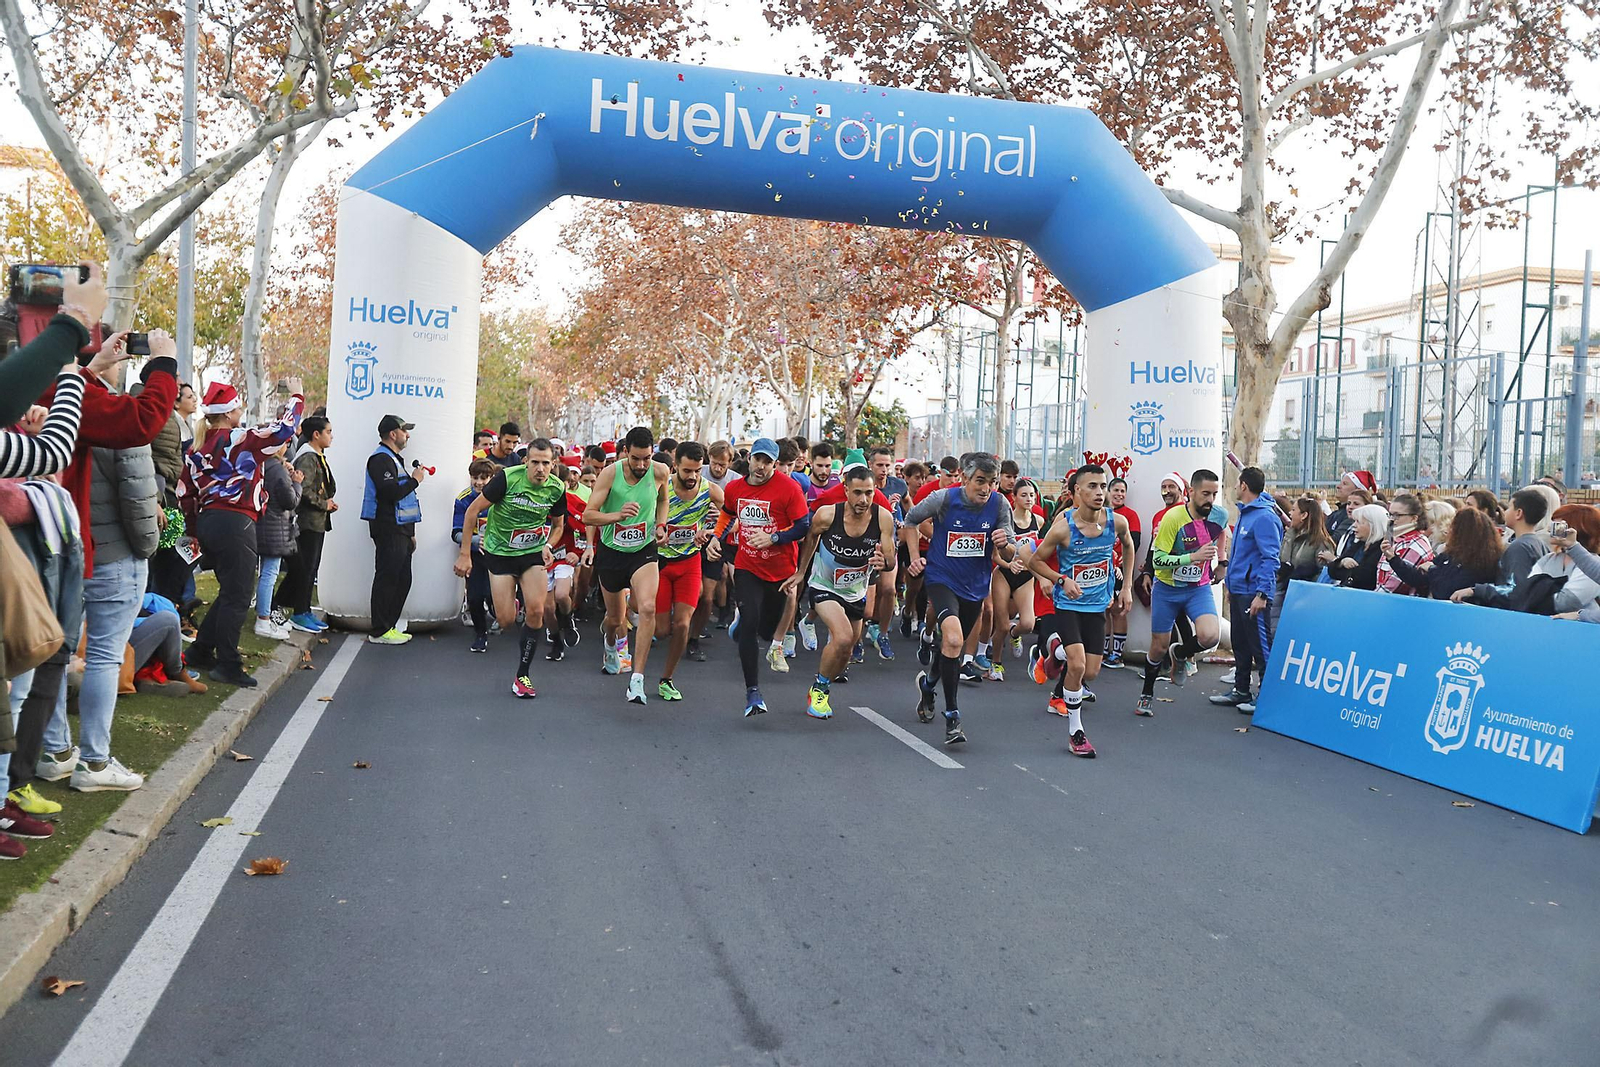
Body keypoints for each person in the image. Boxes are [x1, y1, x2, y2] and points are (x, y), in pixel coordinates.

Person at [902, 452, 1016, 745]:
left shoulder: (999, 504)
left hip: (975, 587)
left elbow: (1011, 552)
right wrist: (915, 558)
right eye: (980, 481)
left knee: (951, 646)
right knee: (953, 640)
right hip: (941, 579)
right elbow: (911, 520)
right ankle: (952, 716)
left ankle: (928, 686)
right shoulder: (944, 499)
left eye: (991, 482)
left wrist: (1004, 546)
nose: (986, 488)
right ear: (964, 478)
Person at [1026, 464, 1133, 757]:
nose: (1100, 492)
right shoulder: (1063, 528)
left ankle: (1054, 653)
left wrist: (1125, 589)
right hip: (1068, 604)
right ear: (1076, 492)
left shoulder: (1116, 522)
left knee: (1093, 671)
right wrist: (1061, 579)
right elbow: (1035, 561)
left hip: (1097, 605)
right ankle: (1076, 731)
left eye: (1103, 486)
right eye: (1093, 486)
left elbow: (1129, 545)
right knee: (1078, 666)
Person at [452, 438, 568, 697]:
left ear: (553, 464)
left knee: (536, 611)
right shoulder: (506, 478)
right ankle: (511, 602)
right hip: (500, 553)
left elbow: (559, 526)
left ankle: (522, 675)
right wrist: (465, 555)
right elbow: (472, 512)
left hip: (532, 553)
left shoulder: (557, 488)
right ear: (526, 462)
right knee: (505, 621)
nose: (540, 468)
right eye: (535, 462)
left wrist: (548, 545)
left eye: (545, 463)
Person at [706, 437, 811, 718]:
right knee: (751, 622)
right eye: (757, 459)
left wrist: (774, 537)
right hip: (747, 565)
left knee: (766, 631)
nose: (761, 466)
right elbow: (727, 514)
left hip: (779, 569)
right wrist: (717, 538)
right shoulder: (735, 488)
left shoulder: (788, 488)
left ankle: (742, 629)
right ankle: (753, 692)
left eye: (767, 462)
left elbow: (803, 526)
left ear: (775, 465)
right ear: (749, 459)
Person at [786, 463, 896, 719]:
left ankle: (825, 680)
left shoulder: (883, 518)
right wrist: (802, 572)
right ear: (845, 490)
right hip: (824, 586)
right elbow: (811, 539)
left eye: (869, 493)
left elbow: (890, 558)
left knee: (846, 650)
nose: (864, 499)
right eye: (857, 492)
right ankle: (819, 689)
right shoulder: (827, 515)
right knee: (844, 636)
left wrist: (885, 562)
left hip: (856, 591)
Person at [581, 425, 670, 704]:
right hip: (612, 553)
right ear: (625, 453)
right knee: (615, 620)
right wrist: (617, 516)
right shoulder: (610, 474)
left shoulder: (659, 472)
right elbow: (588, 516)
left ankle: (637, 680)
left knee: (648, 607)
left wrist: (661, 525)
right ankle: (610, 644)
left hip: (643, 550)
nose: (642, 465)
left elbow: (663, 499)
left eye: (647, 458)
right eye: (636, 458)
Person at [1137, 469, 1225, 717]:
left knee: (1210, 636)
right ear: (1191, 492)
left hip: (1198, 588)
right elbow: (1159, 560)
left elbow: (1221, 535)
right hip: (1167, 589)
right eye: (1205, 493)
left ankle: (1181, 653)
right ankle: (1147, 692)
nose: (1210, 499)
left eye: (1214, 494)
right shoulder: (1173, 518)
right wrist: (1192, 557)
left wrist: (1223, 562)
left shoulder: (1219, 514)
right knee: (1158, 647)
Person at [1208, 466, 1282, 714]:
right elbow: (1240, 554)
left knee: (1260, 647)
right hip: (1240, 590)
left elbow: (1270, 559)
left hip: (1254, 593)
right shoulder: (1245, 514)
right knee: (1240, 643)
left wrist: (1262, 594)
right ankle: (1241, 689)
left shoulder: (1264, 517)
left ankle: (1267, 696)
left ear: (1243, 486)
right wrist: (1231, 585)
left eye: (1237, 483)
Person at [653, 441, 723, 701]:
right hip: (660, 564)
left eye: (697, 471)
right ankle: (634, 603)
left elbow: (734, 517)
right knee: (661, 631)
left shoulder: (710, 490)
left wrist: (712, 532)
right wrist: (655, 531)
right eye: (687, 471)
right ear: (675, 467)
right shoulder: (661, 488)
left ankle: (667, 679)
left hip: (690, 564)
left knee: (682, 624)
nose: (692, 477)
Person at [361, 413, 424, 645]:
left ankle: (389, 625)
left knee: (402, 579)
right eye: (404, 431)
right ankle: (379, 630)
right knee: (387, 578)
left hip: (402, 530)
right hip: (388, 528)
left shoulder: (395, 459)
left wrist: (411, 533)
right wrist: (415, 480)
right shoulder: (380, 459)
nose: (407, 435)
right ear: (392, 434)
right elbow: (389, 493)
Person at [275, 415, 335, 633]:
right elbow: (305, 489)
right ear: (316, 434)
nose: (331, 436)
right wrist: (323, 504)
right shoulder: (308, 457)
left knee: (310, 568)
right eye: (328, 432)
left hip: (318, 522)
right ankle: (297, 611)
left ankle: (305, 609)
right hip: (308, 521)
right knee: (305, 567)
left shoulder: (319, 456)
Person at [1449, 488, 1552, 606]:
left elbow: (1515, 590)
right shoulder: (1540, 545)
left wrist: (1476, 590)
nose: (1505, 512)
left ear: (1519, 513)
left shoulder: (1519, 548)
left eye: (1509, 508)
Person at [986, 477, 1044, 677]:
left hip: (1026, 577)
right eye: (1024, 495)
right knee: (1001, 623)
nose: (1029, 499)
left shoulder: (1039, 521)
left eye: (1032, 495)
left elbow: (1042, 552)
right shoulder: (1005, 521)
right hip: (1004, 574)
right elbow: (995, 556)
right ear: (1014, 497)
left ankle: (1015, 634)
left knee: (1028, 623)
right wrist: (1009, 564)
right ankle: (996, 663)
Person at [1385, 506, 1502, 600]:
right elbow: (1418, 579)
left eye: (1453, 526)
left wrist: (1432, 569)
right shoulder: (1450, 555)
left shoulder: (1479, 563)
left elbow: (1445, 590)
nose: (1449, 530)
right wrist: (1393, 559)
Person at [253, 445, 302, 639]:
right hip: (275, 527)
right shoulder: (277, 468)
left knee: (264, 573)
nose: (287, 446)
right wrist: (297, 483)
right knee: (269, 574)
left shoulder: (262, 464)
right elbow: (289, 501)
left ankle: (264, 616)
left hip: (261, 523)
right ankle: (263, 619)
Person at [452, 458, 498, 652]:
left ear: (492, 478)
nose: (478, 482)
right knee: (476, 596)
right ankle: (481, 633)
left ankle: (503, 608)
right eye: (474, 478)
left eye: (484, 478)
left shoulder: (501, 497)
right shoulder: (463, 499)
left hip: (498, 555)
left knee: (493, 595)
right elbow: (456, 532)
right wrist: (475, 540)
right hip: (476, 555)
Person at [1275, 496, 1333, 626]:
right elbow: (1284, 561)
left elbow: (1323, 575)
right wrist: (1289, 535)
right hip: (1286, 594)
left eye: (1294, 510)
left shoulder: (1320, 542)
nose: (1290, 513)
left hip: (1306, 600)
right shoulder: (1291, 536)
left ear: (1304, 515)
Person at [1103, 475, 1142, 667]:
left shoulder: (1130, 515)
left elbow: (1133, 544)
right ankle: (1101, 651)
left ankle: (1116, 654)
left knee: (1118, 610)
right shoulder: (1100, 512)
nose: (1119, 494)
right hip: (1101, 569)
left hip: (1120, 570)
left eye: (1122, 491)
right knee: (1102, 610)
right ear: (1108, 492)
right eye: (1115, 490)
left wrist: (1119, 566)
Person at [1376, 493, 1433, 595]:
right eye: (1390, 514)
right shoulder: (1398, 539)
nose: (1392, 519)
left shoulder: (1414, 544)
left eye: (1397, 515)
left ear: (1414, 518)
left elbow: (1393, 586)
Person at [1322, 503, 1387, 590]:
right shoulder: (1358, 544)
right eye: (1354, 521)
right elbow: (1332, 572)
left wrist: (1346, 570)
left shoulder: (1382, 549)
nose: (1354, 525)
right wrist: (1342, 562)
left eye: (1358, 522)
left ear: (1373, 525)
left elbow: (1365, 578)